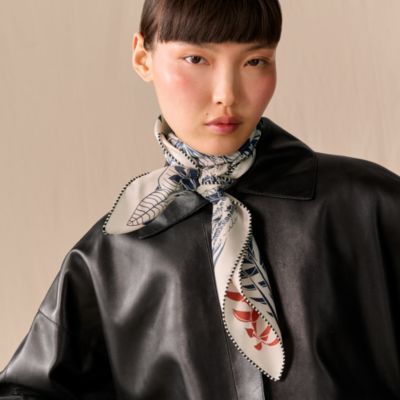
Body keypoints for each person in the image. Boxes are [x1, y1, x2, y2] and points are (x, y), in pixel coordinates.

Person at [1, 0, 399, 399]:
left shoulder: (370, 207)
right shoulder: (111, 255)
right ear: (142, 57)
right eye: (196, 59)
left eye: (255, 61)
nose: (227, 94)